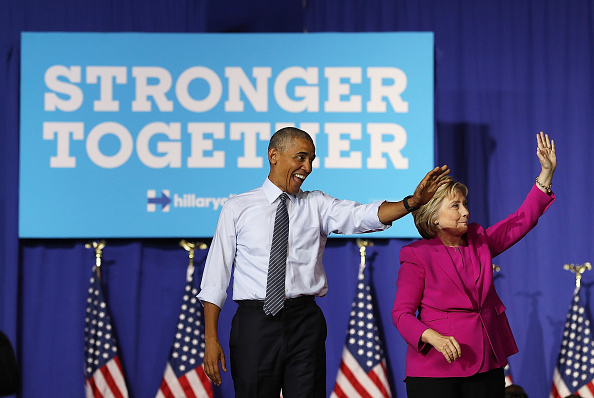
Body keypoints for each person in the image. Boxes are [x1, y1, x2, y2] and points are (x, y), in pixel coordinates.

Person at [198, 126, 450, 397]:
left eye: (311, 160)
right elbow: (216, 277)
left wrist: (411, 202)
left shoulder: (317, 204)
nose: (307, 167)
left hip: (304, 322)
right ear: (274, 155)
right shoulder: (237, 207)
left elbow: (362, 216)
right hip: (255, 324)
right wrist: (211, 337)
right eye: (301, 157)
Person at [391, 131, 556, 398]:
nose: (465, 211)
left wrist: (546, 174)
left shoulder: (480, 241)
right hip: (435, 370)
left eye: (465, 204)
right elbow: (401, 314)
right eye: (455, 206)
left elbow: (522, 220)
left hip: (486, 362)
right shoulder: (417, 254)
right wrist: (432, 337)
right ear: (433, 216)